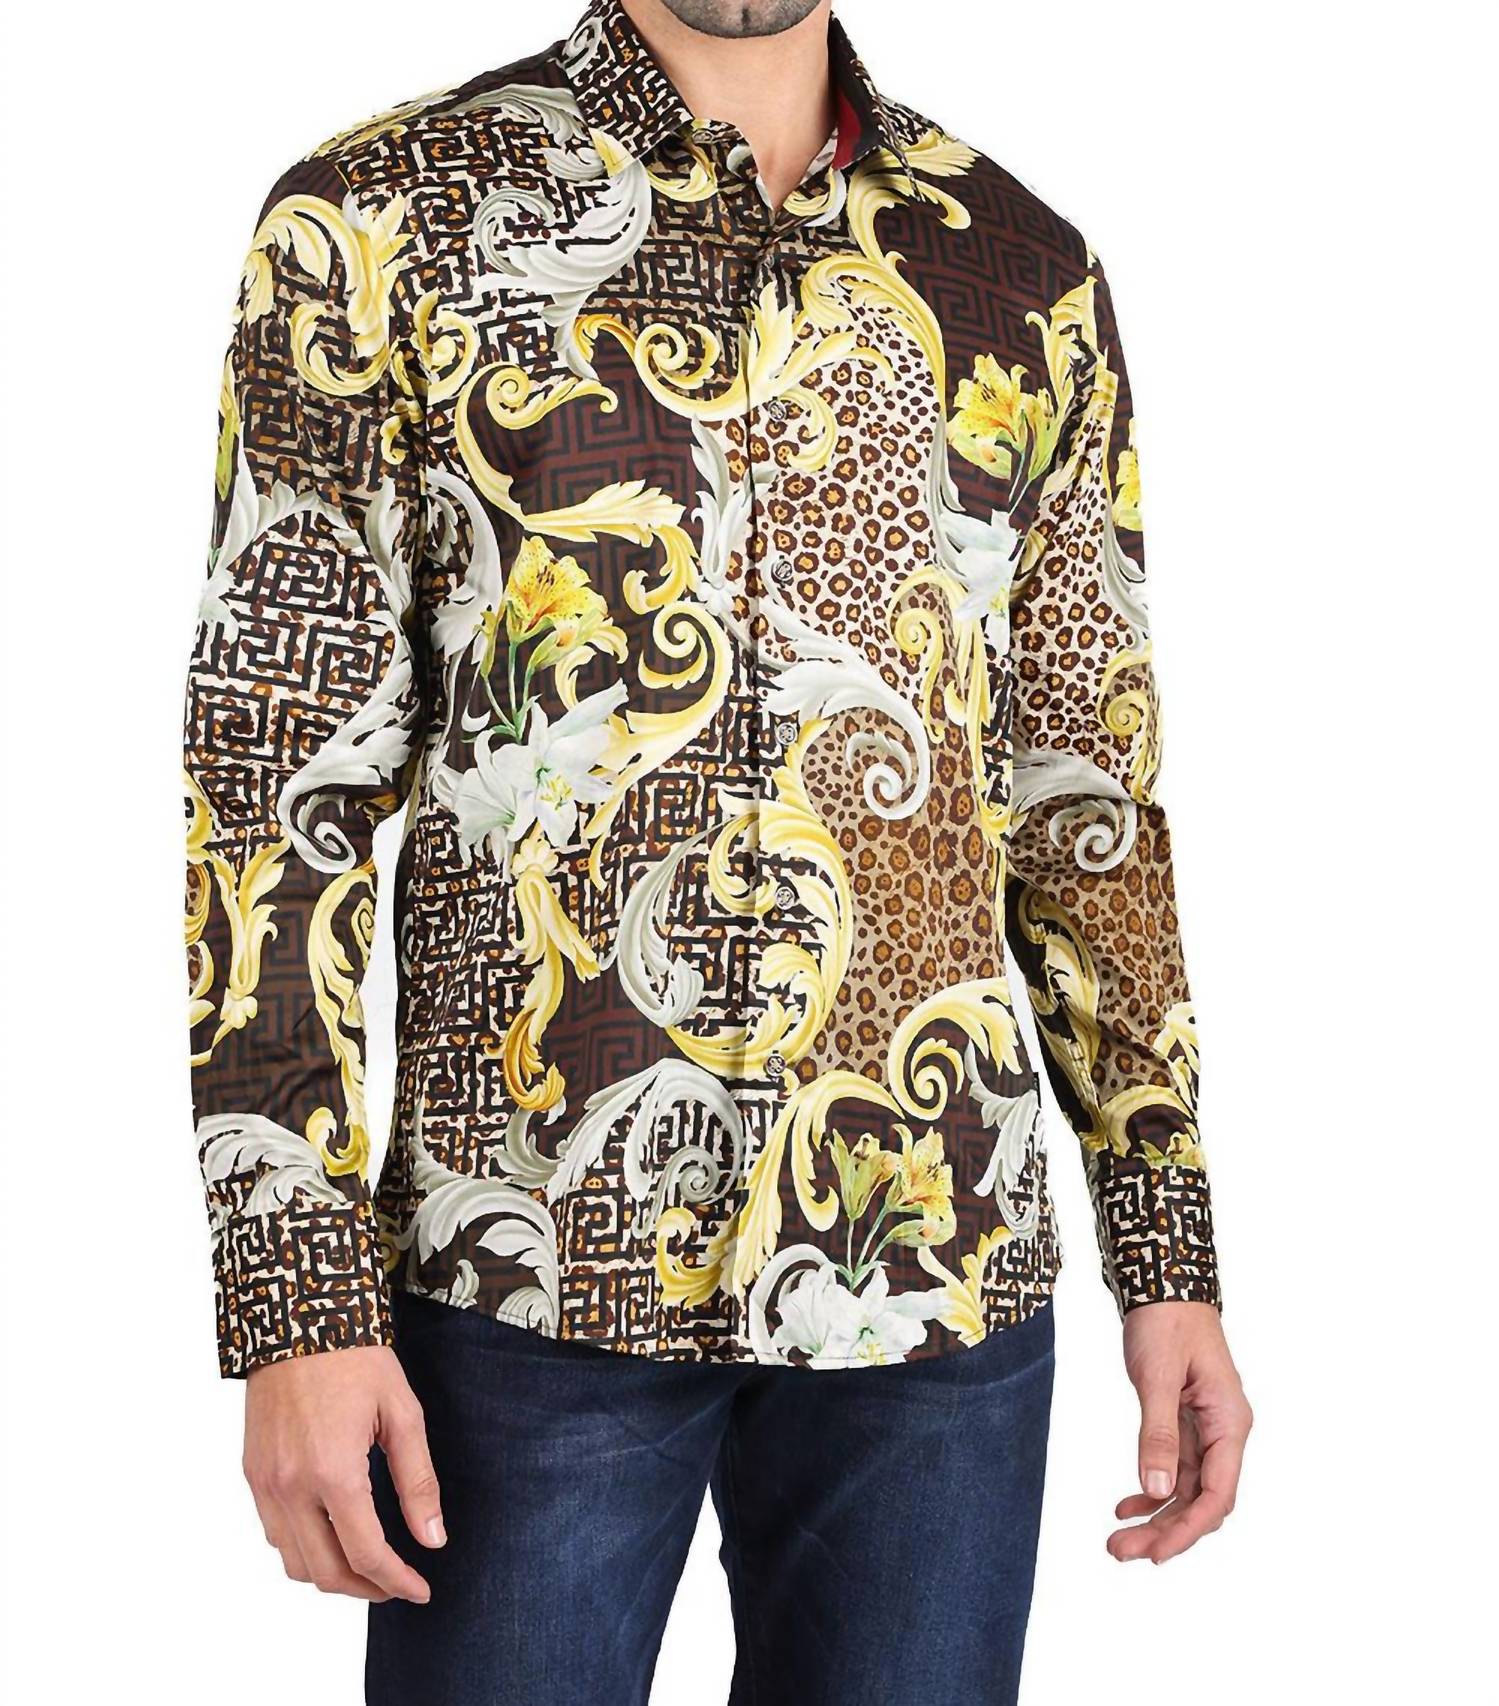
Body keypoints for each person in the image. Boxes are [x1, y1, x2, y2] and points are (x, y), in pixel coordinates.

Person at [183, 1, 1253, 1700]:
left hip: (937, 1279)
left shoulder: (1024, 274)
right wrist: (297, 1298)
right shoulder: (380, 221)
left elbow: (1087, 805)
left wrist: (1167, 1250)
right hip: (522, 1275)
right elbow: (272, 781)